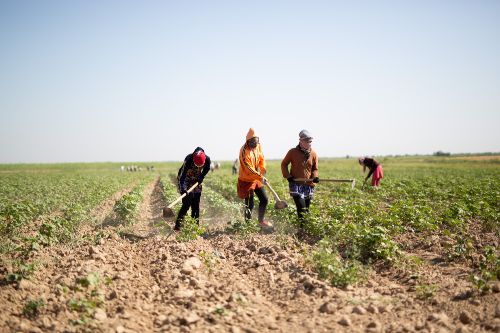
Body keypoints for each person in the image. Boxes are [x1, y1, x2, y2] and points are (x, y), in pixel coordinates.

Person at [281, 130, 319, 229]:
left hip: (308, 185)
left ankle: (304, 229)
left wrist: (314, 177)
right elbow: (284, 164)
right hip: (296, 184)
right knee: (301, 208)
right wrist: (288, 176)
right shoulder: (292, 152)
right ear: (300, 141)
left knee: (306, 209)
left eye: (310, 142)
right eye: (307, 141)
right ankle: (302, 229)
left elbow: (315, 168)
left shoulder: (314, 153)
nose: (309, 143)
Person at [237, 128, 271, 228]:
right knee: (249, 204)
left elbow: (261, 157)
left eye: (256, 142)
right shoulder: (244, 152)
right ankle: (248, 225)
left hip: (256, 178)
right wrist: (260, 177)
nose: (255, 144)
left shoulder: (257, 146)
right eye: (253, 142)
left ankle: (261, 221)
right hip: (246, 180)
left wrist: (262, 167)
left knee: (264, 199)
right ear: (248, 141)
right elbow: (249, 169)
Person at [175, 147, 211, 231]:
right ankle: (178, 226)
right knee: (186, 203)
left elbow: (207, 168)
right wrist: (183, 188)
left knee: (195, 204)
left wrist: (201, 176)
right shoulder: (188, 159)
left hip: (196, 181)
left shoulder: (207, 159)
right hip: (185, 180)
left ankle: (194, 227)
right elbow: (182, 176)